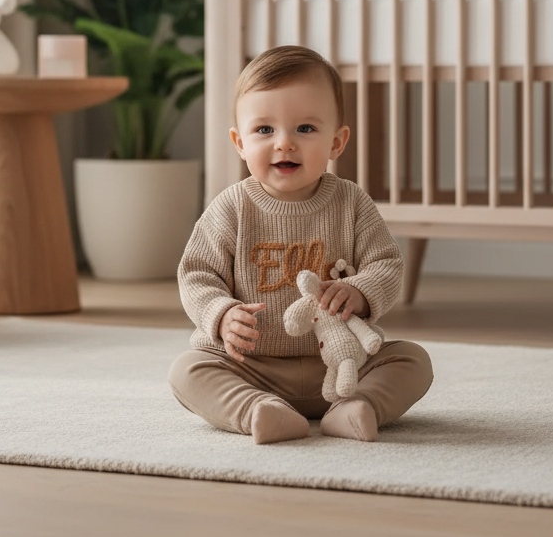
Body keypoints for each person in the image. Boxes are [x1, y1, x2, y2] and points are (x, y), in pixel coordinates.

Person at [169, 45, 433, 444]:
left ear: (336, 142)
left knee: (413, 360)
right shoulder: (232, 207)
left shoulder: (351, 202)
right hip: (253, 367)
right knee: (188, 369)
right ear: (239, 142)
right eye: (264, 130)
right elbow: (196, 274)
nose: (284, 143)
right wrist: (221, 316)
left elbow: (387, 263)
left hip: (343, 365)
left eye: (305, 129)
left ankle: (357, 407)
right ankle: (258, 410)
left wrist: (359, 293)